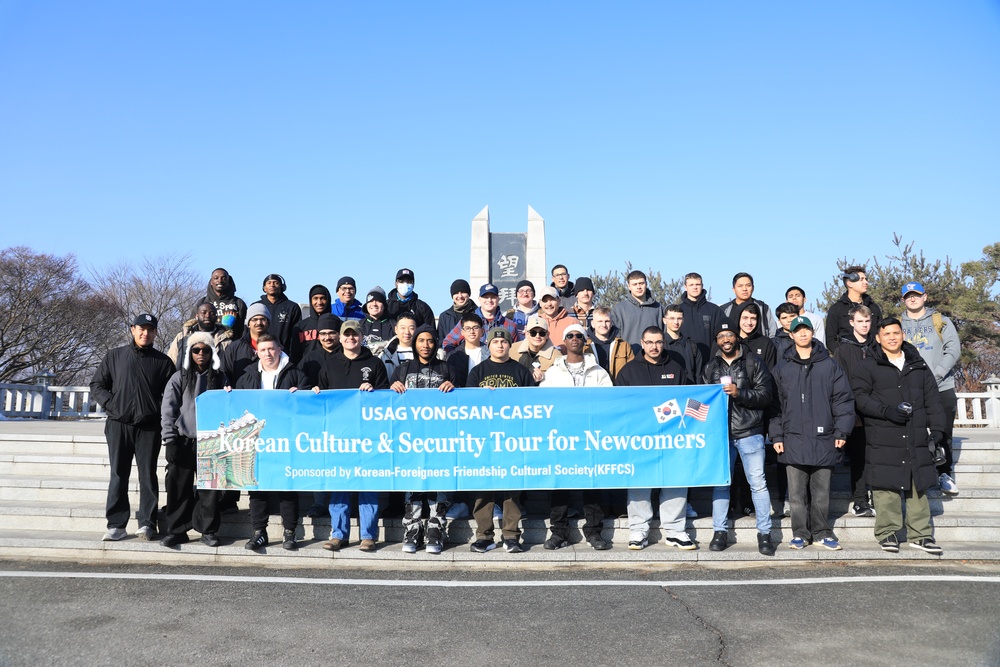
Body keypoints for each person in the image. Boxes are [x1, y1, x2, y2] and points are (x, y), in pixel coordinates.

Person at [850, 317, 947, 555]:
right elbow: (860, 398)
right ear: (878, 338)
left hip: (915, 433)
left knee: (918, 484)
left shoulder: (918, 364)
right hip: (883, 432)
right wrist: (887, 412)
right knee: (886, 485)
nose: (892, 338)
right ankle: (887, 533)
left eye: (896, 333)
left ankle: (921, 534)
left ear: (903, 335)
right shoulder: (867, 365)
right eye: (887, 334)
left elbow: (932, 400)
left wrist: (937, 430)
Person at [770, 316, 855, 550]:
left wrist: (841, 431)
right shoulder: (782, 367)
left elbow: (843, 401)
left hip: (825, 438)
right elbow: (775, 406)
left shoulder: (829, 365)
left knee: (821, 493)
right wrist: (777, 436)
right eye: (798, 331)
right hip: (793, 438)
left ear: (812, 332)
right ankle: (799, 533)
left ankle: (821, 532)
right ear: (791, 335)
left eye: (806, 329)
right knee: (796, 494)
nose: (803, 334)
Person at [90, 314, 176, 542]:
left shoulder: (163, 362)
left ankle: (148, 523)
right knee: (118, 473)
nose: (145, 333)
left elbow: (170, 395)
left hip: (149, 427)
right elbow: (97, 384)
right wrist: (111, 403)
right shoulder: (115, 356)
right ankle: (116, 524)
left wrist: (154, 410)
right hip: (119, 424)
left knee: (147, 474)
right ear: (132, 329)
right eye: (141, 328)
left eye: (150, 329)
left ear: (156, 332)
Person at [615, 326, 693, 550]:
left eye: (658, 342)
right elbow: (620, 405)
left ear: (664, 343)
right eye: (649, 342)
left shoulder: (676, 368)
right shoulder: (629, 371)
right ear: (642, 342)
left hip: (671, 438)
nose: (654, 347)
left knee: (675, 481)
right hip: (640, 439)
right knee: (640, 482)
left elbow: (687, 399)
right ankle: (638, 530)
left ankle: (675, 530)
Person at [703, 323, 777, 556]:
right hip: (721, 433)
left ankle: (765, 533)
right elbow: (702, 401)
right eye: (721, 335)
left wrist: (739, 393)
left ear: (737, 337)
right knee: (721, 483)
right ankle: (720, 531)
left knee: (758, 483)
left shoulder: (754, 362)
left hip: (750, 432)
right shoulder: (710, 366)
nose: (726, 338)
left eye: (730, 334)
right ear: (716, 340)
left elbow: (766, 396)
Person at [317, 319, 390, 552]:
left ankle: (368, 534)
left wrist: (374, 392)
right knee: (340, 484)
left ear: (361, 337)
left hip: (367, 435)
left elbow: (386, 398)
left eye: (355, 335)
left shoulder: (375, 363)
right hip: (339, 435)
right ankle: (339, 534)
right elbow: (321, 396)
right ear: (340, 337)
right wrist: (316, 392)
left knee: (368, 484)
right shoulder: (330, 363)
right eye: (346, 335)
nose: (351, 338)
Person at [540, 323, 613, 550]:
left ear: (585, 341)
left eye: (578, 336)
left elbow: (608, 403)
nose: (574, 339)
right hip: (562, 436)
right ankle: (559, 532)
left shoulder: (599, 372)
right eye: (570, 336)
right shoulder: (553, 372)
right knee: (559, 484)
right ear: (564, 341)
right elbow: (544, 404)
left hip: (591, 436)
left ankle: (594, 532)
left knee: (593, 484)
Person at [235, 333, 310, 552]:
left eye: (271, 349)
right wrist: (229, 395)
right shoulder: (247, 376)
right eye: (263, 349)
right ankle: (259, 532)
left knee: (286, 487)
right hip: (257, 442)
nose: (267, 353)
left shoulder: (295, 374)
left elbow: (308, 406)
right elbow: (238, 407)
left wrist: (303, 394)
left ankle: (290, 532)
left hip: (285, 440)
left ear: (279, 349)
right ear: (256, 352)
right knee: (257, 487)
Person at [467, 327, 536, 553]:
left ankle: (511, 536)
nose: (500, 345)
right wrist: (480, 395)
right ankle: (484, 536)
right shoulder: (477, 372)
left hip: (513, 439)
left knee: (511, 489)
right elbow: (467, 407)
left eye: (504, 342)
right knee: (483, 489)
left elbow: (532, 406)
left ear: (509, 345)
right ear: (489, 345)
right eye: (495, 342)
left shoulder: (521, 371)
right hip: (485, 439)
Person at [389, 324, 457, 554]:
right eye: (421, 340)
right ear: (415, 343)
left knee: (438, 482)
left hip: (440, 438)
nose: (425, 345)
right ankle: (412, 529)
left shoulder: (447, 369)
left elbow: (461, 402)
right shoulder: (403, 368)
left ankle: (436, 531)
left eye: (429, 341)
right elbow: (388, 400)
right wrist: (393, 387)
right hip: (411, 438)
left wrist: (453, 388)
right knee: (413, 482)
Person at [159, 332, 230, 548]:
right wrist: (169, 440)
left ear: (212, 353)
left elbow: (228, 408)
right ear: (189, 352)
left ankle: (208, 530)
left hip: (211, 441)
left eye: (206, 350)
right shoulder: (179, 377)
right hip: (183, 439)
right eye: (196, 350)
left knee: (210, 490)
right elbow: (168, 410)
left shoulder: (221, 378)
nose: (201, 354)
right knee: (178, 488)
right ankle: (177, 530)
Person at [900, 281, 962, 496]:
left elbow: (953, 350)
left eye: (916, 295)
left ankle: (944, 473)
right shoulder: (898, 325)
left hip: (941, 386)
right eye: (908, 296)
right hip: (909, 388)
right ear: (903, 300)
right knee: (911, 433)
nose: (912, 299)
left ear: (925, 296)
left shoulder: (941, 321)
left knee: (943, 431)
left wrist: (935, 375)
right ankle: (913, 475)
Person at [831, 305, 877, 516]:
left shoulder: (878, 346)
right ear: (852, 323)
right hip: (856, 413)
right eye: (860, 321)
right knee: (858, 458)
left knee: (877, 457)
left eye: (867, 321)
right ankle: (860, 500)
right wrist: (850, 413)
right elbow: (841, 384)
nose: (864, 325)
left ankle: (878, 497)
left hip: (879, 412)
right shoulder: (843, 350)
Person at [442, 283, 519, 353]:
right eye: (485, 297)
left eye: (493, 297)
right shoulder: (467, 321)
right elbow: (447, 343)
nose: (489, 300)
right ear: (479, 299)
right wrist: (459, 358)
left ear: (498, 299)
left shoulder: (510, 325)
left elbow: (516, 350)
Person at [826, 266, 883, 354]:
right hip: (847, 360)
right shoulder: (837, 309)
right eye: (861, 279)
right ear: (850, 283)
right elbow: (830, 339)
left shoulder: (874, 307)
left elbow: (881, 333)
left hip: (873, 359)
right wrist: (843, 356)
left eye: (866, 279)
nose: (866, 282)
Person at [166, 302, 234, 369]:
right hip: (185, 378)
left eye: (212, 313)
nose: (207, 316)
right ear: (197, 316)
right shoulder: (182, 337)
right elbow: (171, 362)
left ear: (216, 317)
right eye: (203, 313)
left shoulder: (225, 341)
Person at [677, 272, 725, 362]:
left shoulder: (714, 310)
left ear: (702, 286)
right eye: (691, 285)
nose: (695, 287)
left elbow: (722, 335)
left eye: (697, 284)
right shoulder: (678, 311)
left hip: (710, 360)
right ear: (685, 287)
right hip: (684, 360)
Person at [610, 270, 665, 348]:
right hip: (629, 356)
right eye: (635, 284)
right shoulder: (619, 309)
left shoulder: (658, 308)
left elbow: (664, 333)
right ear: (629, 286)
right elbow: (615, 337)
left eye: (641, 283)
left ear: (646, 284)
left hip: (654, 355)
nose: (638, 287)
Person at [221, 302, 271, 385]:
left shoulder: (277, 349)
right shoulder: (234, 348)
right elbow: (224, 375)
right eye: (254, 319)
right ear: (248, 324)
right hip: (239, 396)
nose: (259, 323)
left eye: (263, 319)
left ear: (268, 323)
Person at [254, 274, 302, 359]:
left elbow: (296, 335)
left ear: (282, 287)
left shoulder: (292, 307)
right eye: (269, 283)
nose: (272, 285)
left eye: (276, 283)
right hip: (259, 354)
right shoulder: (256, 306)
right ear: (264, 288)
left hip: (285, 355)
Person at [193, 268, 248, 339]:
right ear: (211, 282)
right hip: (206, 345)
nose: (220, 281)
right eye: (216, 278)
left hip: (231, 345)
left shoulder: (238, 303)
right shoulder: (202, 302)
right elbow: (193, 325)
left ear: (229, 281)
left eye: (224, 278)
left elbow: (244, 329)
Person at [720, 272, 777, 338]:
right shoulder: (724, 310)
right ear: (733, 289)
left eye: (748, 285)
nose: (744, 289)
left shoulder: (763, 308)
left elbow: (773, 333)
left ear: (753, 288)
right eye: (740, 286)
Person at [588, 306, 634, 381]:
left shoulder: (624, 346)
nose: (604, 325)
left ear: (612, 323)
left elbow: (632, 371)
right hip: (593, 390)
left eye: (607, 321)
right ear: (593, 324)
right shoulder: (585, 347)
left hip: (618, 389)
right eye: (600, 321)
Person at [514, 315, 563, 385]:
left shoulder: (556, 356)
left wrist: (544, 379)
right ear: (527, 334)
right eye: (533, 333)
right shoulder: (512, 350)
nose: (537, 336)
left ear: (547, 335)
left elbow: (560, 380)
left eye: (542, 333)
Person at [663, 304, 703, 384]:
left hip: (690, 392)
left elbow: (698, 375)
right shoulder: (659, 346)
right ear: (664, 320)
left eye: (679, 318)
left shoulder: (692, 346)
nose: (676, 322)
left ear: (683, 320)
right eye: (672, 318)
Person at [446, 312, 487, 388]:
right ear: (462, 332)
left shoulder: (490, 353)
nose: (472, 332)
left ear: (482, 331)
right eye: (467, 328)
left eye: (475, 328)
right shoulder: (453, 356)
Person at [294, 284, 332, 357]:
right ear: (310, 300)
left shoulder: (337, 324)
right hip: (306, 367)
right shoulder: (300, 326)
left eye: (322, 298)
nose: (319, 302)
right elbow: (295, 354)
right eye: (315, 298)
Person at [736, 303, 777, 370]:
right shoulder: (730, 341)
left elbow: (770, 372)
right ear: (738, 318)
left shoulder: (766, 343)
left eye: (753, 318)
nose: (749, 322)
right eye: (745, 318)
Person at [360, 286, 396, 356]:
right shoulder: (359, 325)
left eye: (378, 301)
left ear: (384, 305)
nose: (374, 304)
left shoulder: (394, 326)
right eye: (370, 301)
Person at [379, 313, 417, 378]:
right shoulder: (384, 354)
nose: (407, 332)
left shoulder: (423, 353)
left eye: (411, 328)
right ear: (396, 329)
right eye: (403, 328)